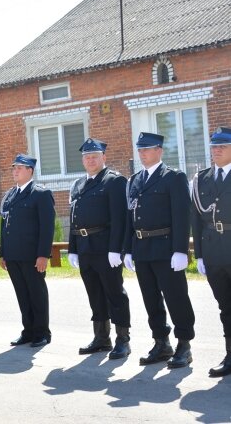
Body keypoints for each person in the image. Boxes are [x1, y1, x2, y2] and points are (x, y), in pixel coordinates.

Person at [124, 132, 195, 368]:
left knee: (176, 297)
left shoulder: (173, 178)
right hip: (142, 248)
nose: (142, 154)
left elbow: (182, 215)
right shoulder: (135, 180)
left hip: (166, 247)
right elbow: (130, 217)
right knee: (150, 299)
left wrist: (180, 250)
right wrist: (128, 249)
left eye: (147, 149)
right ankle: (161, 342)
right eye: (140, 150)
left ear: (159, 151)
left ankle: (184, 344)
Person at [67, 138, 131, 359]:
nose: (90, 160)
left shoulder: (114, 181)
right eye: (86, 157)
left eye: (94, 156)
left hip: (105, 248)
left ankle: (123, 339)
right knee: (94, 293)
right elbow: (74, 218)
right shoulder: (78, 185)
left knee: (115, 293)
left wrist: (116, 249)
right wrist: (72, 247)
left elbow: (119, 218)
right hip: (85, 247)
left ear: (104, 157)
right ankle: (101, 337)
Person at [0, 154, 55, 348]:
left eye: (20, 168)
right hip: (13, 255)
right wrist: (3, 253)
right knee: (22, 294)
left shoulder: (40, 194)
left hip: (32, 256)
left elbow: (46, 228)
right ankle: (28, 331)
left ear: (30, 171)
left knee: (36, 293)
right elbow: (5, 225)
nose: (15, 171)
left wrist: (43, 255)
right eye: (14, 168)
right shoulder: (10, 194)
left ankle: (41, 332)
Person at [191, 127, 231, 376]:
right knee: (225, 307)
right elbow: (196, 217)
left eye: (222, 147)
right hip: (214, 250)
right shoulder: (202, 179)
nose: (216, 151)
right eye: (214, 147)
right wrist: (200, 255)